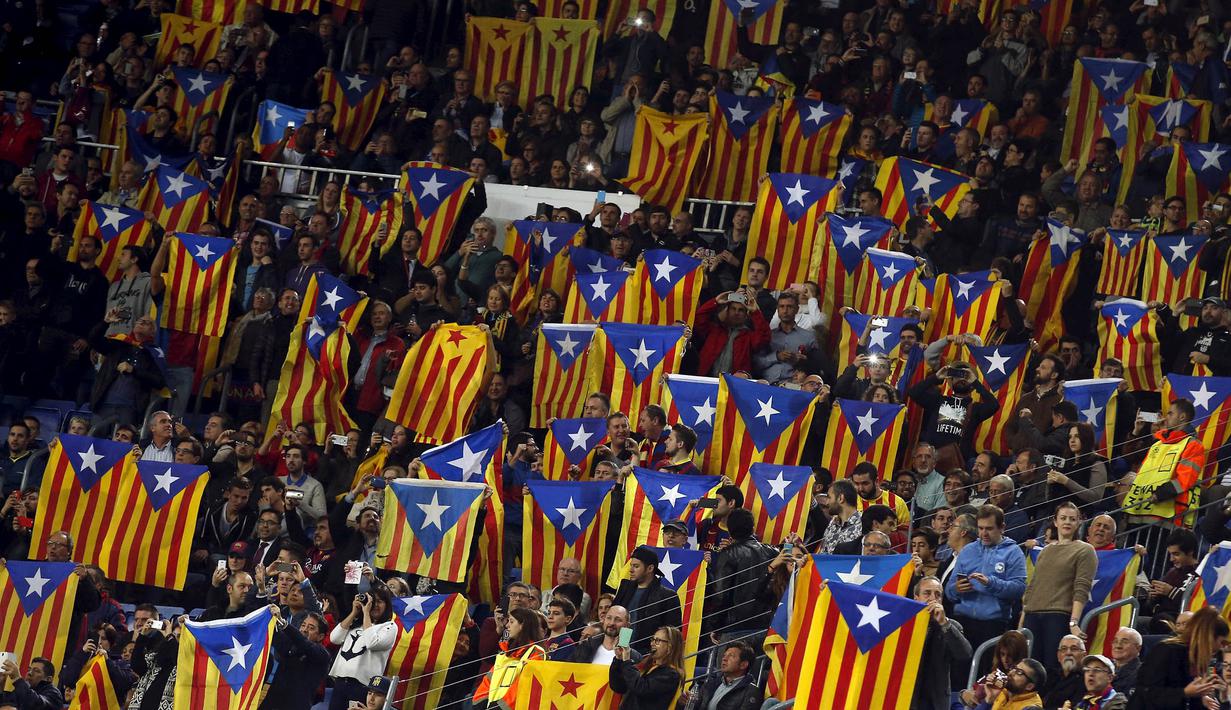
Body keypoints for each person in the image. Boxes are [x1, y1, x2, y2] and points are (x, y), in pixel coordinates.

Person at [1021, 502, 1098, 675]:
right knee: (1029, 671)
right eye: (1063, 518)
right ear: (1055, 522)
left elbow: (1082, 587)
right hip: (1032, 616)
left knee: (1052, 670)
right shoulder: (1045, 551)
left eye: (1072, 519)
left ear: (1079, 522)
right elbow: (1033, 586)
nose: (1067, 522)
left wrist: (1073, 622)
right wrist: (1022, 621)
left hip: (1058, 616)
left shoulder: (1085, 550)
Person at [946, 504, 1027, 653]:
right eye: (980, 528)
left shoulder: (1013, 552)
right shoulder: (968, 550)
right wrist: (956, 589)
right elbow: (949, 591)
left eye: (989, 528)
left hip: (993, 625)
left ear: (1002, 527)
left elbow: (1019, 589)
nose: (984, 533)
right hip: (962, 621)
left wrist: (991, 583)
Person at [1132, 606, 1228, 707]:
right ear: (1208, 637)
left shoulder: (1197, 658)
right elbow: (1146, 692)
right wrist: (1184, 693)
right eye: (1222, 642)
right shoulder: (1166, 650)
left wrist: (1200, 699)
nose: (1222, 647)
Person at [327, 588, 397, 710]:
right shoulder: (354, 624)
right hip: (340, 682)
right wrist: (354, 612)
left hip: (363, 687)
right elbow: (334, 638)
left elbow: (371, 643)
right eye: (372, 601)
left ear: (387, 605)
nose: (374, 605)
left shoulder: (389, 626)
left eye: (379, 601)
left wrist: (366, 613)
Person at [913, 576, 972, 710]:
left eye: (938, 595)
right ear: (916, 598)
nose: (933, 598)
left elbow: (965, 654)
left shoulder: (951, 626)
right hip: (906, 697)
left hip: (935, 701)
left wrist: (944, 623)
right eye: (927, 593)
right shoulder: (904, 624)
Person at [612, 546, 682, 654]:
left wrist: (652, 655)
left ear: (650, 568)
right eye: (631, 565)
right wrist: (622, 646)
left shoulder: (668, 596)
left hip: (647, 655)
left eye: (636, 566)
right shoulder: (625, 588)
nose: (631, 570)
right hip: (619, 650)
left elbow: (673, 634)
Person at [259, 609, 331, 710]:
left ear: (320, 637)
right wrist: (267, 612)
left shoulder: (322, 655)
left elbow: (304, 644)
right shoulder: (290, 646)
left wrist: (285, 624)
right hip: (271, 705)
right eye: (303, 625)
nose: (304, 630)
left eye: (311, 628)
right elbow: (274, 633)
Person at [610, 625, 684, 710]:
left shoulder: (671, 675)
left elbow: (641, 688)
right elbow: (619, 687)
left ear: (670, 647)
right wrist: (618, 659)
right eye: (652, 639)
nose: (652, 644)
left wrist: (627, 660)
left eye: (657, 641)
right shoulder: (647, 665)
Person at [686, 640, 764, 710]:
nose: (724, 659)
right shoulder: (710, 684)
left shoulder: (751, 692)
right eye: (724, 655)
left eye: (731, 656)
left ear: (743, 665)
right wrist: (683, 703)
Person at [572, 605, 639, 665]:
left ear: (627, 626)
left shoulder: (634, 657)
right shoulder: (586, 646)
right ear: (604, 620)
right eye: (609, 618)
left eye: (618, 620)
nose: (612, 623)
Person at [1041, 634, 1088, 708]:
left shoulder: (1087, 680)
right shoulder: (1048, 675)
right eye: (1064, 649)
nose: (1068, 653)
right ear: (1058, 656)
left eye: (1074, 649)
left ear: (1084, 655)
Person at [1110, 627, 1142, 694]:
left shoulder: (1143, 672)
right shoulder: (1103, 666)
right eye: (1115, 641)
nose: (1118, 646)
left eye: (1125, 642)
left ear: (1138, 648)